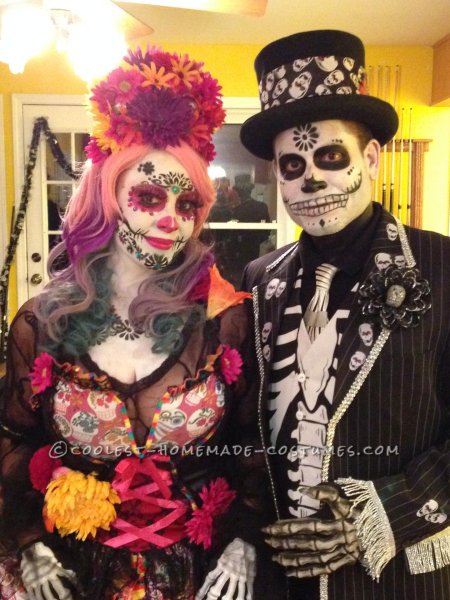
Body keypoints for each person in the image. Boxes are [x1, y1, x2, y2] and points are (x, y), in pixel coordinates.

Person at [0, 46, 251, 600]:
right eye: (149, 196)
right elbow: (13, 438)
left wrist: (244, 540)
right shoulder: (41, 322)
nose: (170, 219)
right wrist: (28, 542)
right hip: (70, 572)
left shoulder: (224, 320)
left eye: (187, 204)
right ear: (108, 195)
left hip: (201, 573)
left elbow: (250, 439)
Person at [207, 29, 449, 600]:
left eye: (330, 156)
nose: (310, 179)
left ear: (371, 158)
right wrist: (243, 529)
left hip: (395, 579)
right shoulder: (260, 278)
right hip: (280, 574)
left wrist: (384, 513)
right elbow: (245, 425)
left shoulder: (442, 267)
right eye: (292, 164)